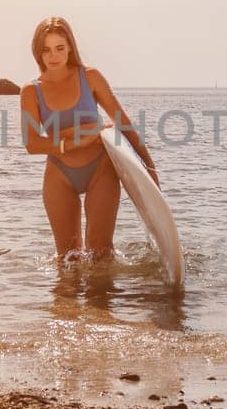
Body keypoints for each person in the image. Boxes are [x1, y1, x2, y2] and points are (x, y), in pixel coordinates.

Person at [20, 17, 159, 258]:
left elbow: (122, 122)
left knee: (100, 254)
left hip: (100, 169)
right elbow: (32, 144)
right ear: (37, 52)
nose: (53, 56)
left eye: (59, 48)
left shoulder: (90, 77)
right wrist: (78, 140)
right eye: (46, 50)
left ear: (70, 47)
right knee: (67, 260)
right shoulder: (31, 91)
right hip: (60, 174)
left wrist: (148, 165)